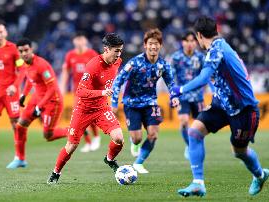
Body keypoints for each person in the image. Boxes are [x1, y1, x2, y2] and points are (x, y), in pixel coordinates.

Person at [171, 16, 269, 197]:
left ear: (199, 35)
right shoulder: (219, 47)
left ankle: (260, 175)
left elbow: (203, 78)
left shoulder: (217, 50)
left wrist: (180, 89)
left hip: (244, 110)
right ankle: (198, 183)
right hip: (222, 103)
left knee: (239, 152)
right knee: (194, 133)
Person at [47, 33, 124, 184]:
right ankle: (56, 172)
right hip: (83, 109)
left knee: (119, 138)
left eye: (120, 50)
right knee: (72, 146)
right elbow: (80, 92)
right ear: (106, 49)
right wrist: (102, 92)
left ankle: (109, 159)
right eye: (116, 51)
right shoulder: (93, 65)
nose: (119, 54)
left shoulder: (118, 61)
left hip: (102, 108)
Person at [111, 28, 178, 174]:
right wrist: (114, 103)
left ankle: (139, 163)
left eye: (156, 43)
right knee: (136, 138)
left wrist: (174, 98)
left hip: (151, 103)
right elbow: (118, 81)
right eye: (150, 43)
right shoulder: (134, 63)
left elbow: (172, 84)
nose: (153, 46)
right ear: (145, 45)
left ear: (160, 46)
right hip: (132, 103)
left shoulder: (163, 65)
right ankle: (134, 143)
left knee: (153, 134)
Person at [6, 38, 68, 169]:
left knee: (48, 135)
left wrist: (39, 107)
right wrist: (23, 94)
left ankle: (73, 131)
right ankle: (20, 159)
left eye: (26, 50)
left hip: (52, 101)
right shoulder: (24, 64)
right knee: (20, 126)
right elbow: (30, 79)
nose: (24, 53)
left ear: (31, 49)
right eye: (21, 51)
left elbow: (52, 88)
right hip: (36, 98)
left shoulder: (41, 65)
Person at [0, 22, 24, 166]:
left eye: (0, 32)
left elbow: (22, 70)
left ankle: (19, 157)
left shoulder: (13, 49)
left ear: (6, 33)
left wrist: (15, 86)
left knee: (15, 125)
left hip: (11, 93)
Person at [60, 33, 100, 153]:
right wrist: (62, 86)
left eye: (81, 40)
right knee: (78, 117)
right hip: (78, 91)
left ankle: (96, 137)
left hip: (91, 91)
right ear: (74, 41)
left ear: (85, 41)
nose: (79, 42)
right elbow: (66, 71)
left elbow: (99, 70)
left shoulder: (92, 54)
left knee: (91, 116)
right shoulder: (70, 55)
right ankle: (88, 142)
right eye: (77, 40)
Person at [171, 31, 205, 160]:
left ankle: (196, 146)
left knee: (201, 125)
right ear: (182, 42)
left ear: (196, 42)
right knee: (184, 121)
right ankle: (189, 146)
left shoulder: (201, 57)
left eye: (192, 41)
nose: (190, 44)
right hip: (182, 96)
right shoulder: (176, 57)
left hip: (198, 97)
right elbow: (171, 77)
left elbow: (206, 75)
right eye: (187, 41)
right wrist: (173, 94)